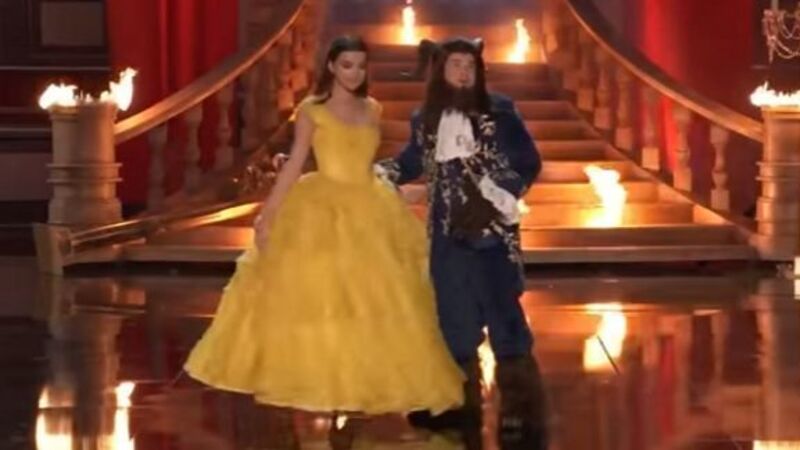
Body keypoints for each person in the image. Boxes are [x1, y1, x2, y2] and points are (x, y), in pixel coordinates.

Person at [183, 35, 464, 445]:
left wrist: (401, 191)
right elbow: (295, 163)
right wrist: (268, 214)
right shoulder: (312, 110)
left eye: (361, 66)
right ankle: (332, 388)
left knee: (377, 299)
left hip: (370, 206)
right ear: (331, 66)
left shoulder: (372, 108)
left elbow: (366, 164)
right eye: (347, 65)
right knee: (327, 298)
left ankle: (361, 388)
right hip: (322, 206)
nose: (355, 73)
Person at [376, 37, 543, 437]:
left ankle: (521, 410)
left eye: (470, 66)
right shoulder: (425, 118)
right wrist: (381, 173)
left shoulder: (500, 111)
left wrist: (498, 192)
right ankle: (460, 408)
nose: (464, 73)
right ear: (442, 71)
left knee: (504, 317)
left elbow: (527, 161)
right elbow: (412, 161)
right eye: (456, 66)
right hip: (447, 234)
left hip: (492, 231)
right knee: (454, 320)